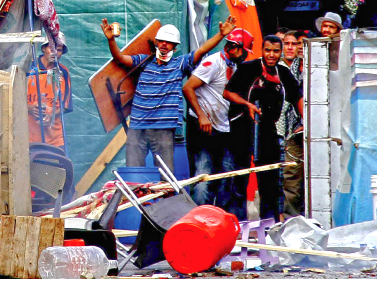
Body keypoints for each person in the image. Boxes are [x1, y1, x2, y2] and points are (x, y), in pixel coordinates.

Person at [101, 15, 237, 171]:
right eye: (162, 41)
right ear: (157, 42)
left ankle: (167, 197)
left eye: (169, 42)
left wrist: (221, 34)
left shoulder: (180, 64)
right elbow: (119, 58)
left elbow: (202, 50)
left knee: (165, 176)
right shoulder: (143, 61)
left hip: (164, 128)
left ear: (175, 47)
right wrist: (111, 40)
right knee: (133, 172)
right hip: (137, 126)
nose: (164, 44)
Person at [224, 35, 303, 222]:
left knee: (270, 180)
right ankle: (237, 224)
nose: (271, 55)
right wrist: (247, 104)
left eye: (276, 51)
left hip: (268, 130)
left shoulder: (283, 74)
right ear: (262, 50)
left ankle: (269, 225)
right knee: (239, 178)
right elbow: (227, 92)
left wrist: (306, 120)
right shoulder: (247, 68)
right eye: (268, 50)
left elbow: (297, 97)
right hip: (242, 128)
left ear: (280, 52)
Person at [182, 29, 254, 218]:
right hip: (203, 128)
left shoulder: (238, 66)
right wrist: (202, 115)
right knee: (203, 177)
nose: (243, 54)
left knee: (226, 176)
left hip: (224, 128)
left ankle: (219, 221)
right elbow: (188, 87)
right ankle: (198, 220)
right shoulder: (213, 63)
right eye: (242, 50)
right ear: (235, 48)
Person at [26, 34, 73, 148]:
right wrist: (29, 107)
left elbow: (66, 106)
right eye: (51, 48)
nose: (55, 52)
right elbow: (14, 98)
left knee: (55, 165)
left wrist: (51, 115)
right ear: (43, 49)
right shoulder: (28, 68)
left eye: (59, 50)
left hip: (55, 138)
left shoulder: (63, 72)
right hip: (29, 135)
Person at [278, 31, 305, 219]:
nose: (290, 47)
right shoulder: (282, 69)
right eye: (286, 43)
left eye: (294, 44)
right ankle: (291, 220)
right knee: (289, 177)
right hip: (287, 130)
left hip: (310, 128)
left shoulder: (308, 68)